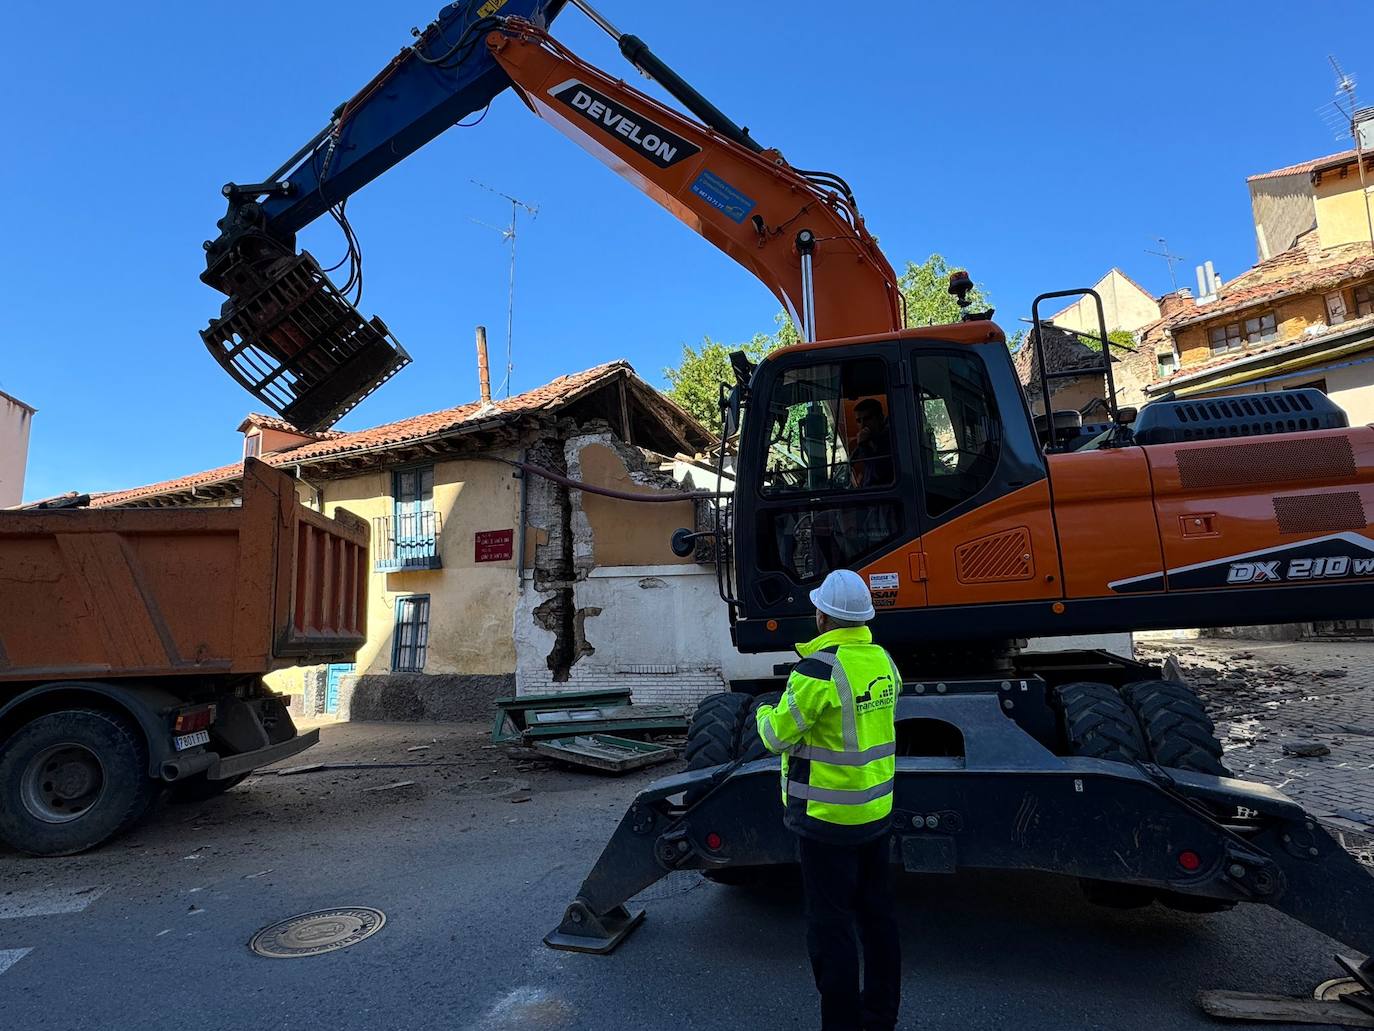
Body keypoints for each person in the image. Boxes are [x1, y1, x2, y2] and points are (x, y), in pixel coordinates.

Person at [755, 569, 901, 1031]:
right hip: (875, 813)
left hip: (825, 822)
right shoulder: (883, 661)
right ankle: (879, 1017)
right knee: (878, 922)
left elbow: (777, 736)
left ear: (823, 617)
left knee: (830, 930)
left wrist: (762, 710)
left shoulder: (817, 671)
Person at [850, 399, 892, 487]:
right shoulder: (871, 441)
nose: (862, 425)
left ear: (880, 417)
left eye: (867, 419)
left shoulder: (890, 439)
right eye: (858, 421)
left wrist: (864, 446)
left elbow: (878, 473)